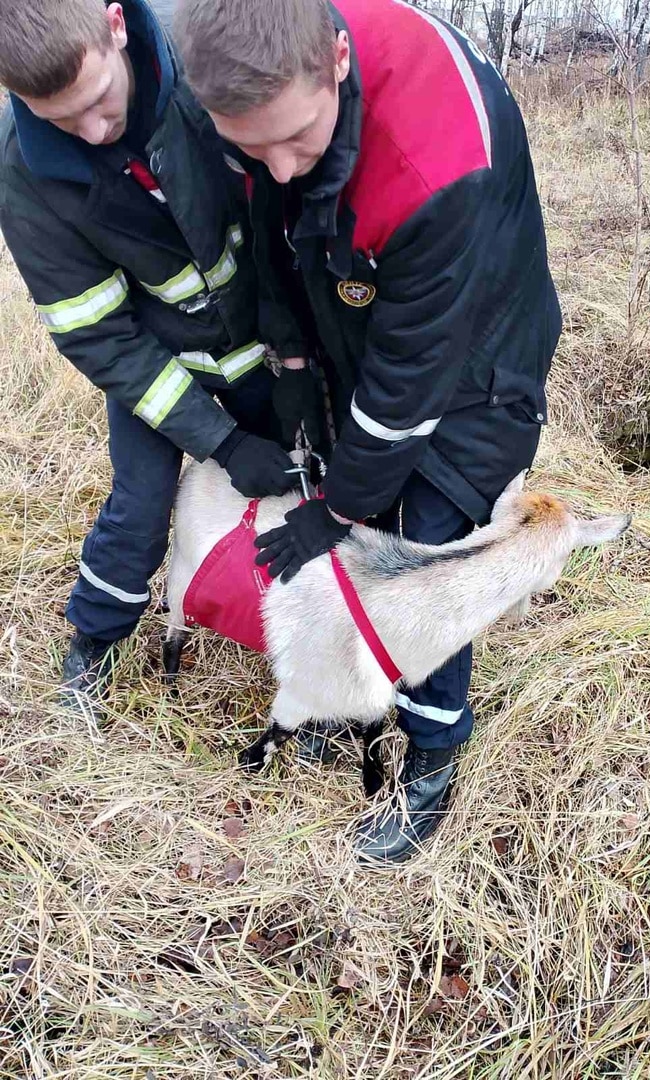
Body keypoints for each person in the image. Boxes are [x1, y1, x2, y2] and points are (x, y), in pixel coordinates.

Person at [175, 0, 562, 863]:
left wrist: (345, 505)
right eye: (252, 148)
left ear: (337, 62)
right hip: (355, 314)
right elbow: (276, 254)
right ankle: (351, 693)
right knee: (348, 513)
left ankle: (432, 749)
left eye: (298, 143)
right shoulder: (252, 96)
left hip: (474, 369)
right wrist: (294, 385)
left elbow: (407, 389)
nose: (276, 168)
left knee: (422, 544)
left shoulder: (435, 162)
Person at [0, 0, 309, 715]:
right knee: (138, 509)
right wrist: (221, 440)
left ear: (115, 26)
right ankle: (94, 643)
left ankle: (308, 654)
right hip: (160, 360)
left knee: (308, 486)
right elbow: (95, 332)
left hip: (268, 339)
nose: (93, 132)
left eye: (99, 101)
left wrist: (293, 363)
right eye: (60, 119)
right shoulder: (24, 167)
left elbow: (289, 218)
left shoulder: (210, 60)